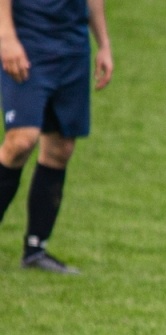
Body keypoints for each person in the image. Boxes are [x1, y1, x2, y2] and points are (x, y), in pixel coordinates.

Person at [0, 0, 112, 273]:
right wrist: (7, 38)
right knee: (21, 141)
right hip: (27, 41)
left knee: (61, 148)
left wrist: (104, 44)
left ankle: (35, 249)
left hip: (72, 46)